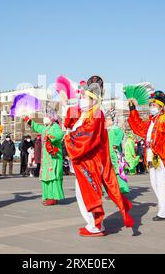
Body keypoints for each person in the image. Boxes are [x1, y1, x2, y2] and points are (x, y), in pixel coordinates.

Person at [64, 75, 133, 236]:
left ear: (94, 99)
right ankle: (92, 224)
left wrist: (68, 138)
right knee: (82, 193)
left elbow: (87, 135)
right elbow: (70, 121)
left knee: (88, 193)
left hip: (91, 162)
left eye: (86, 97)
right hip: (83, 160)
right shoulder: (87, 113)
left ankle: (95, 226)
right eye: (82, 96)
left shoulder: (97, 114)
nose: (83, 99)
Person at [128, 90, 165, 221]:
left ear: (161, 106)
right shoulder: (152, 121)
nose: (151, 107)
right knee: (154, 183)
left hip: (161, 156)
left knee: (161, 183)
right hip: (151, 155)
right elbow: (138, 127)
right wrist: (132, 110)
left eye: (154, 105)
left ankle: (163, 212)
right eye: (151, 105)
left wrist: (162, 149)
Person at [26, 106, 65, 206]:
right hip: (46, 159)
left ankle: (53, 197)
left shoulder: (55, 126)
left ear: (51, 118)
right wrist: (28, 119)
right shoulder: (45, 128)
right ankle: (47, 196)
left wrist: (51, 138)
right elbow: (36, 127)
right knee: (45, 177)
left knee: (53, 177)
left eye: (46, 116)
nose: (44, 118)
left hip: (54, 157)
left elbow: (60, 134)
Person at [105, 110, 129, 194]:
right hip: (108, 154)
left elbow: (121, 134)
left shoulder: (115, 128)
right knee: (109, 172)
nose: (106, 121)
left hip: (115, 154)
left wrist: (115, 143)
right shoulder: (107, 130)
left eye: (107, 120)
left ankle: (123, 188)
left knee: (118, 171)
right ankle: (110, 189)